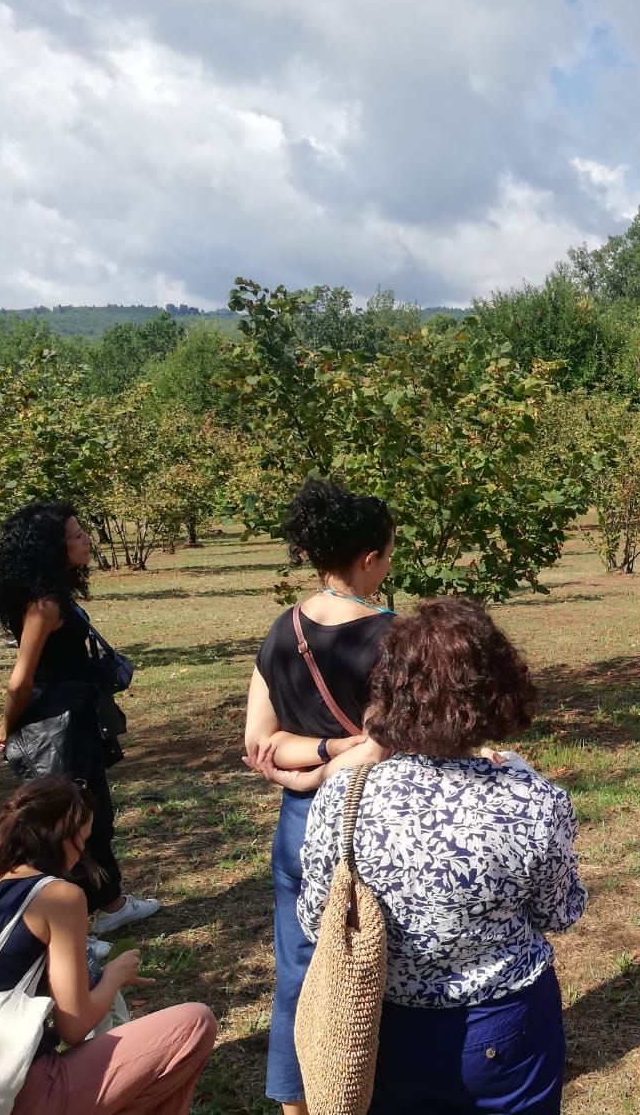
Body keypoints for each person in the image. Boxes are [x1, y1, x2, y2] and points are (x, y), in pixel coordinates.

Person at [299, 598, 586, 1114]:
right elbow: (559, 913)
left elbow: (316, 919)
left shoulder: (345, 796)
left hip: (377, 1027)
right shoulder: (534, 801)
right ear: (497, 689)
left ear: (391, 690)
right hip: (505, 1029)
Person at [242, 478, 395, 1115]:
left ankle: (295, 1105)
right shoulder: (392, 636)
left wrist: (309, 767)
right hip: (373, 818)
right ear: (369, 558)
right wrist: (341, 756)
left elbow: (259, 743)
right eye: (388, 555)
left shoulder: (283, 629)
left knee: (297, 972)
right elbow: (385, 744)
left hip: (299, 822)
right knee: (373, 970)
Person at [0, 778, 217, 1114]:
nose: (80, 855)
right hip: (12, 1089)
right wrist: (114, 976)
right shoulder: (58, 897)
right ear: (62, 836)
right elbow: (74, 1025)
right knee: (195, 1022)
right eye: (82, 841)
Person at [0, 501, 158, 940]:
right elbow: (21, 681)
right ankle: (72, 927)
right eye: (76, 535)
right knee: (65, 822)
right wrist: (7, 725)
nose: (86, 540)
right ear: (52, 547)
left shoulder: (52, 593)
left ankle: (110, 904)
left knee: (91, 813)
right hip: (55, 729)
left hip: (73, 720)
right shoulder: (44, 605)